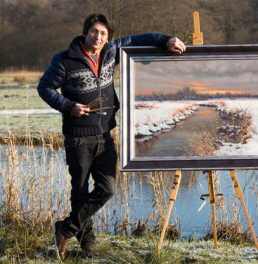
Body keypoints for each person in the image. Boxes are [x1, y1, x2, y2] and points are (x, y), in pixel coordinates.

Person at [37, 13, 185, 260]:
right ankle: (88, 245)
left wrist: (166, 40)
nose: (98, 37)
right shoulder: (64, 59)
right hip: (77, 137)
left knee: (108, 188)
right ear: (86, 32)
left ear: (108, 37)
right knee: (80, 192)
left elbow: (141, 38)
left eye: (104, 33)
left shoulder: (111, 52)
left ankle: (66, 228)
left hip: (105, 134)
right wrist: (67, 105)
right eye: (94, 31)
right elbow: (45, 88)